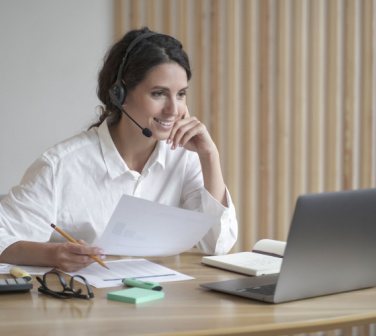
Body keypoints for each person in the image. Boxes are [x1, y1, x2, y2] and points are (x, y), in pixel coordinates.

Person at [0, 27, 238, 272]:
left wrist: (210, 157)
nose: (173, 110)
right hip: (82, 304)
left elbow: (217, 244)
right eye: (159, 94)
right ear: (119, 93)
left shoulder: (185, 158)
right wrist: (53, 254)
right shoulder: (60, 166)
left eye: (181, 94)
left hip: (162, 303)